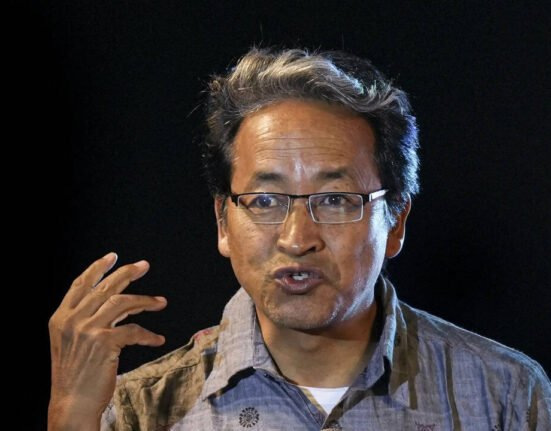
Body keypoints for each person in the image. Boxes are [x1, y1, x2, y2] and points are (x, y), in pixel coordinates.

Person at [48, 47, 551, 431]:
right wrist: (71, 415)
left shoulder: (505, 395)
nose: (296, 238)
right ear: (223, 222)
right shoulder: (137, 409)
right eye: (265, 200)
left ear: (396, 221)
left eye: (334, 200)